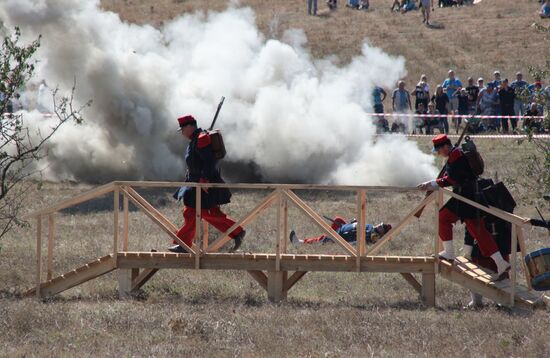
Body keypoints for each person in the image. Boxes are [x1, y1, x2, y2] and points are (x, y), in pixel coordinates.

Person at [417, 134, 511, 281]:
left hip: (466, 197)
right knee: (478, 232)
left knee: (444, 218)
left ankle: (449, 252)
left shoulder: (455, 156)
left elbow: (454, 179)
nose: (439, 153)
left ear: (446, 146)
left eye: (439, 150)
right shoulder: (455, 154)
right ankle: (501, 263)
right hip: (468, 196)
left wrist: (433, 183)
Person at [170, 115, 246, 253]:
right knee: (195, 213)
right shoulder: (196, 140)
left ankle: (183, 244)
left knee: (201, 213)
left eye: (182, 129)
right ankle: (183, 243)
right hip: (195, 184)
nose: (181, 132)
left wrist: (204, 181)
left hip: (203, 186)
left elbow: (209, 162)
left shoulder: (201, 139)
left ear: (189, 127)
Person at [289, 216, 392, 245]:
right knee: (338, 219)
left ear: (382, 233)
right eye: (381, 225)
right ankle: (327, 237)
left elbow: (359, 241)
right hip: (345, 228)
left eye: (382, 228)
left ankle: (300, 243)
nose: (380, 226)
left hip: (343, 236)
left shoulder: (374, 235)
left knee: (325, 239)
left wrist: (342, 242)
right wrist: (353, 223)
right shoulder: (371, 227)